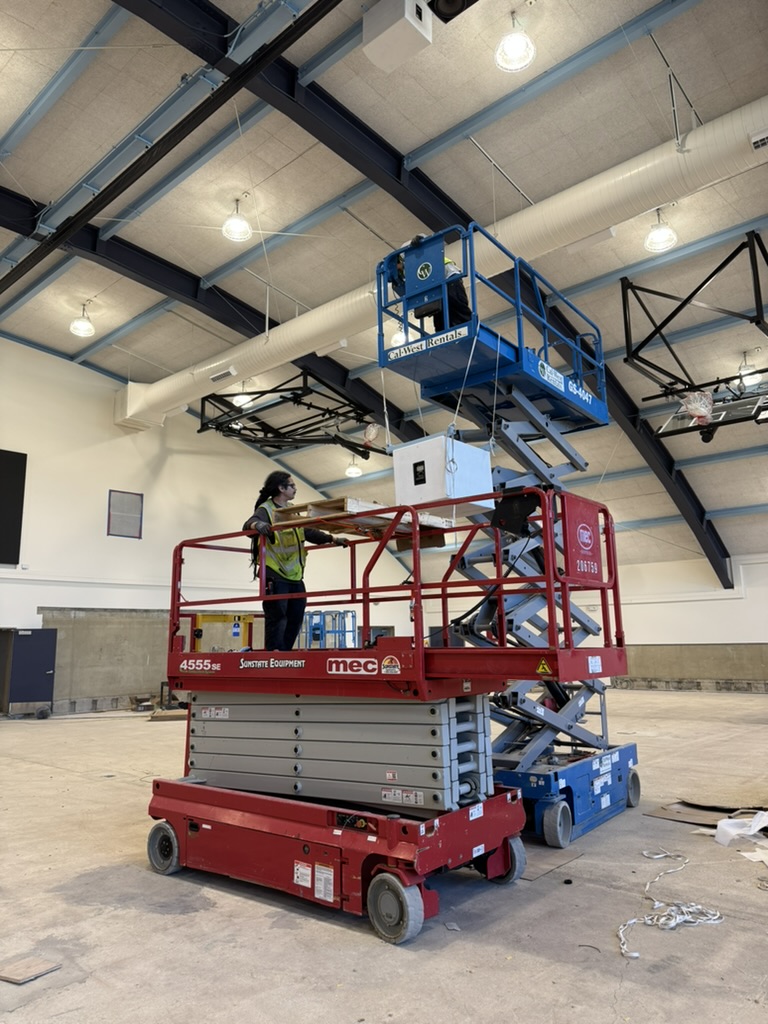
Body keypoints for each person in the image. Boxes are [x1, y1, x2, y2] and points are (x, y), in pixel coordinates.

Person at [243, 471, 348, 652]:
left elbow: (308, 532)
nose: (295, 489)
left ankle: (284, 652)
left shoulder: (292, 511)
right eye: (292, 486)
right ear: (281, 488)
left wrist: (332, 539)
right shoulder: (266, 509)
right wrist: (258, 526)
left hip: (294, 575)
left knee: (296, 616)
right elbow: (249, 524)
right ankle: (274, 654)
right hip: (275, 572)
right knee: (278, 616)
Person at [389, 234, 471, 332]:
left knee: (457, 309)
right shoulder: (407, 273)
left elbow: (427, 242)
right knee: (440, 322)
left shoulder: (405, 252)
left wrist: (419, 238)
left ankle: (471, 328)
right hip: (437, 288)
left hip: (449, 277)